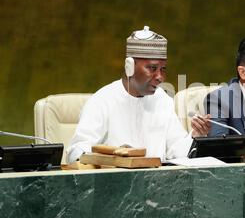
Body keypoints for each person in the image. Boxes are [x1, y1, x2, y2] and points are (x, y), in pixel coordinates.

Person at [66, 26, 210, 163]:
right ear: (129, 66)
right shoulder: (103, 100)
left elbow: (176, 150)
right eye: (152, 68)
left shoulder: (162, 99)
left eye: (163, 69)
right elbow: (76, 152)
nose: (160, 77)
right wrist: (113, 157)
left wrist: (196, 136)